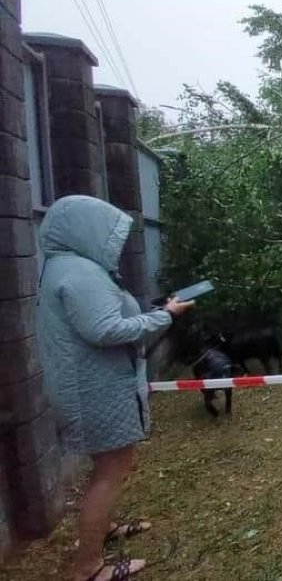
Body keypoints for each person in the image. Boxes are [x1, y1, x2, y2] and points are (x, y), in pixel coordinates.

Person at [36, 196, 194, 581]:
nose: (116, 243)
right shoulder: (80, 274)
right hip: (96, 390)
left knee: (108, 467)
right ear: (85, 230)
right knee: (112, 468)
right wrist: (165, 316)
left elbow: (102, 320)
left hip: (91, 386)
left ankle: (101, 528)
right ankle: (89, 567)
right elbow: (106, 330)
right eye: (110, 233)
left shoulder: (67, 267)